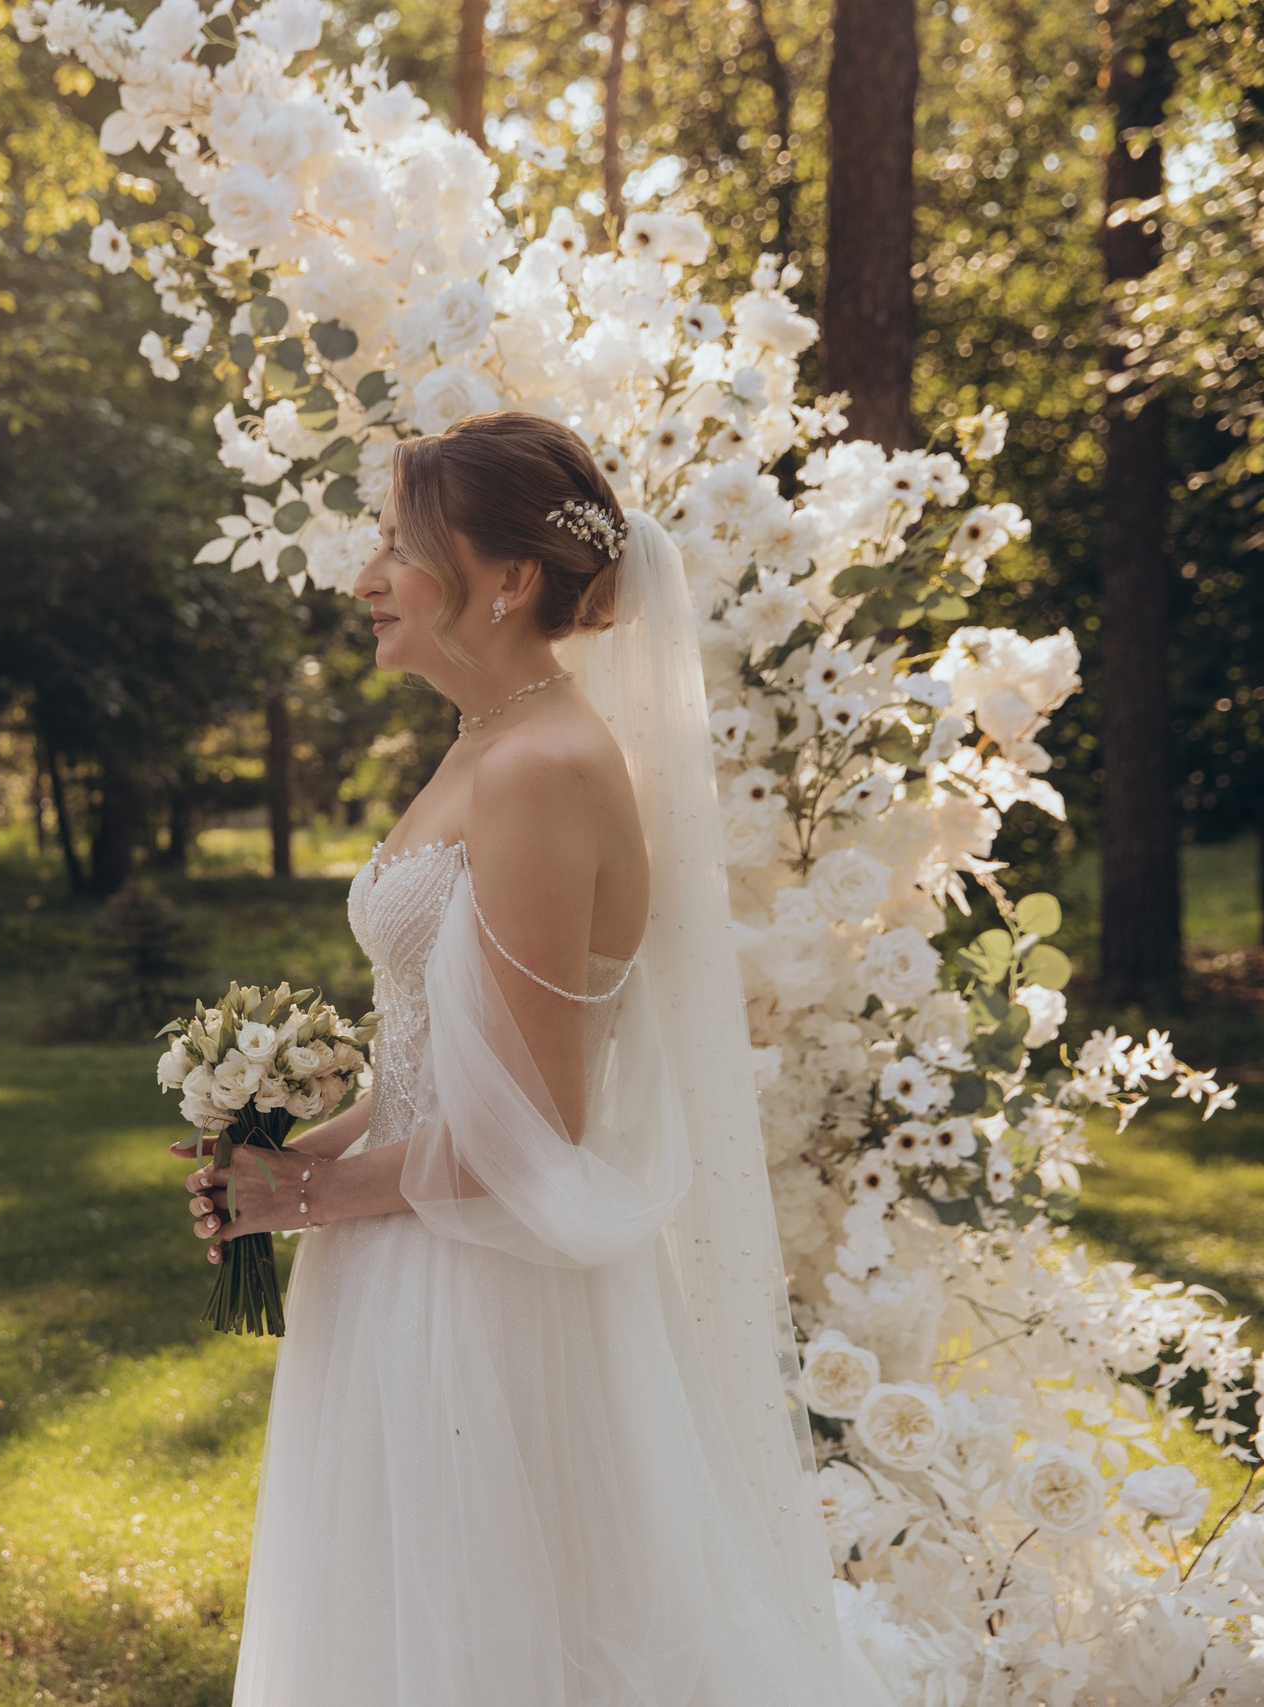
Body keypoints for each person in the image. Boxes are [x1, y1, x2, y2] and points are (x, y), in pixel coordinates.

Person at [179, 413, 893, 1705]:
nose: (366, 577)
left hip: (481, 1297)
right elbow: (439, 1076)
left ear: (508, 581)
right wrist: (274, 1166)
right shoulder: (484, 741)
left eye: (399, 545)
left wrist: (316, 1196)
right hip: (407, 1257)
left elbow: (537, 1125)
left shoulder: (545, 767)